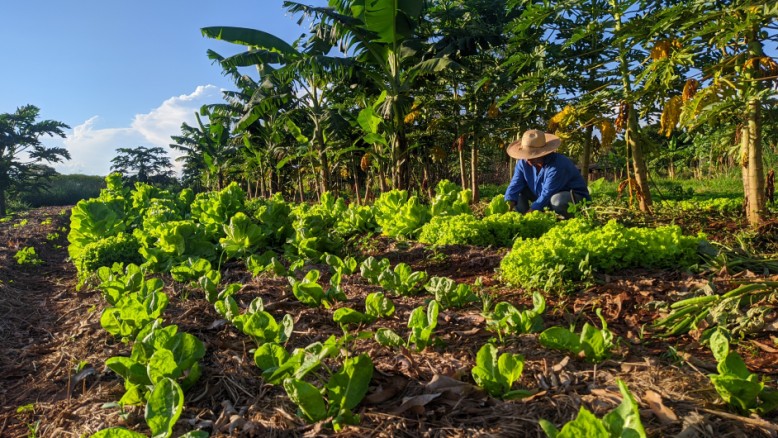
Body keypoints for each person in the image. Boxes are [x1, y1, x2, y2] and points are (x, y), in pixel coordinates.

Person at [504, 129, 590, 218]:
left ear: (543, 152)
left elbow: (547, 193)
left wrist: (530, 214)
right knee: (516, 193)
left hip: (574, 199)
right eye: (526, 155)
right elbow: (514, 185)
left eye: (532, 155)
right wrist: (507, 207)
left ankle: (568, 219)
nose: (528, 159)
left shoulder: (558, 164)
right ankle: (522, 218)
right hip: (543, 195)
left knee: (557, 200)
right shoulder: (523, 163)